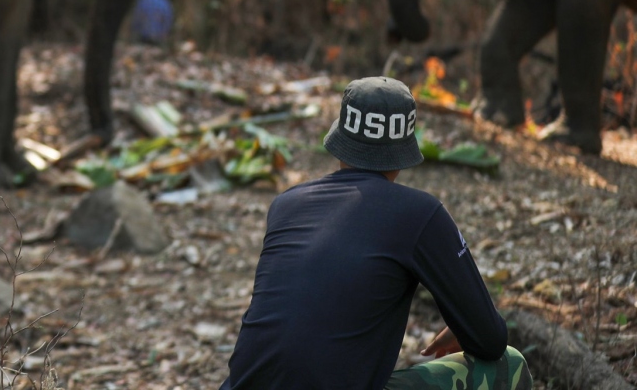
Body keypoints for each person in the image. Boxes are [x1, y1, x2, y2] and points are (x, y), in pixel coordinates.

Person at [218, 76, 531, 390]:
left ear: (340, 141)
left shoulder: (286, 205)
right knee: (511, 364)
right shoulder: (421, 214)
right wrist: (466, 325)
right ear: (403, 154)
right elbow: (491, 341)